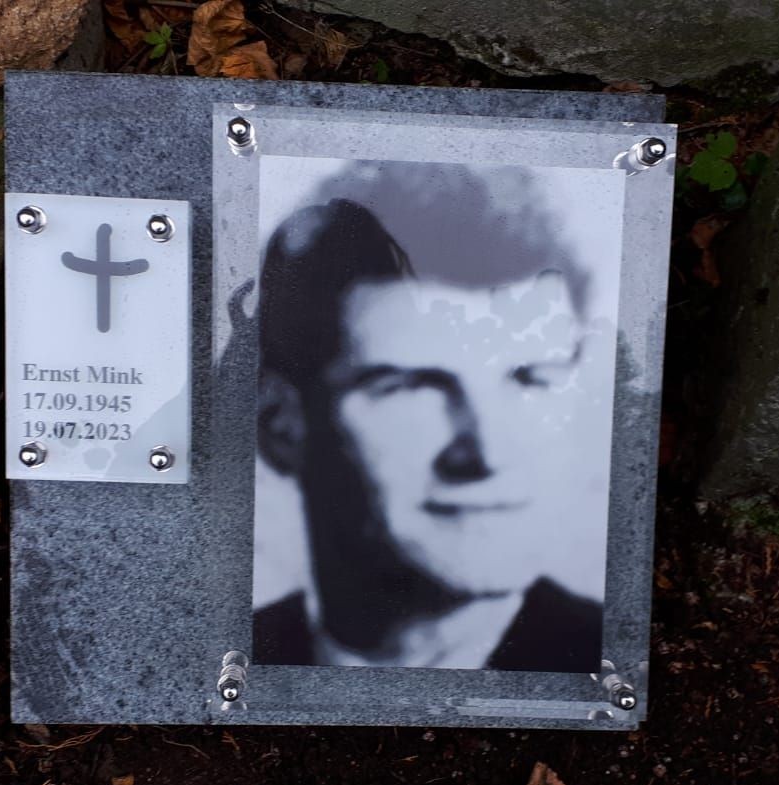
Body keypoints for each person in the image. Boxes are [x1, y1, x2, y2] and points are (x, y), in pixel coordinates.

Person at [251, 160, 608, 673]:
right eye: (411, 386)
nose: (487, 452)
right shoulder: (235, 655)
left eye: (532, 379)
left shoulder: (596, 661)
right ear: (278, 422)